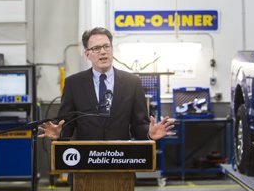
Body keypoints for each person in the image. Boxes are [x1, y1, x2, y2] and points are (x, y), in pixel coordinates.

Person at [38, 27, 175, 141]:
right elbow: (67, 125)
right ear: (87, 54)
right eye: (96, 48)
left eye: (106, 46)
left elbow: (139, 125)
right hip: (85, 161)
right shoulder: (74, 83)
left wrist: (149, 134)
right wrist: (59, 134)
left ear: (112, 49)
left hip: (121, 160)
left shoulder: (132, 82)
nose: (103, 51)